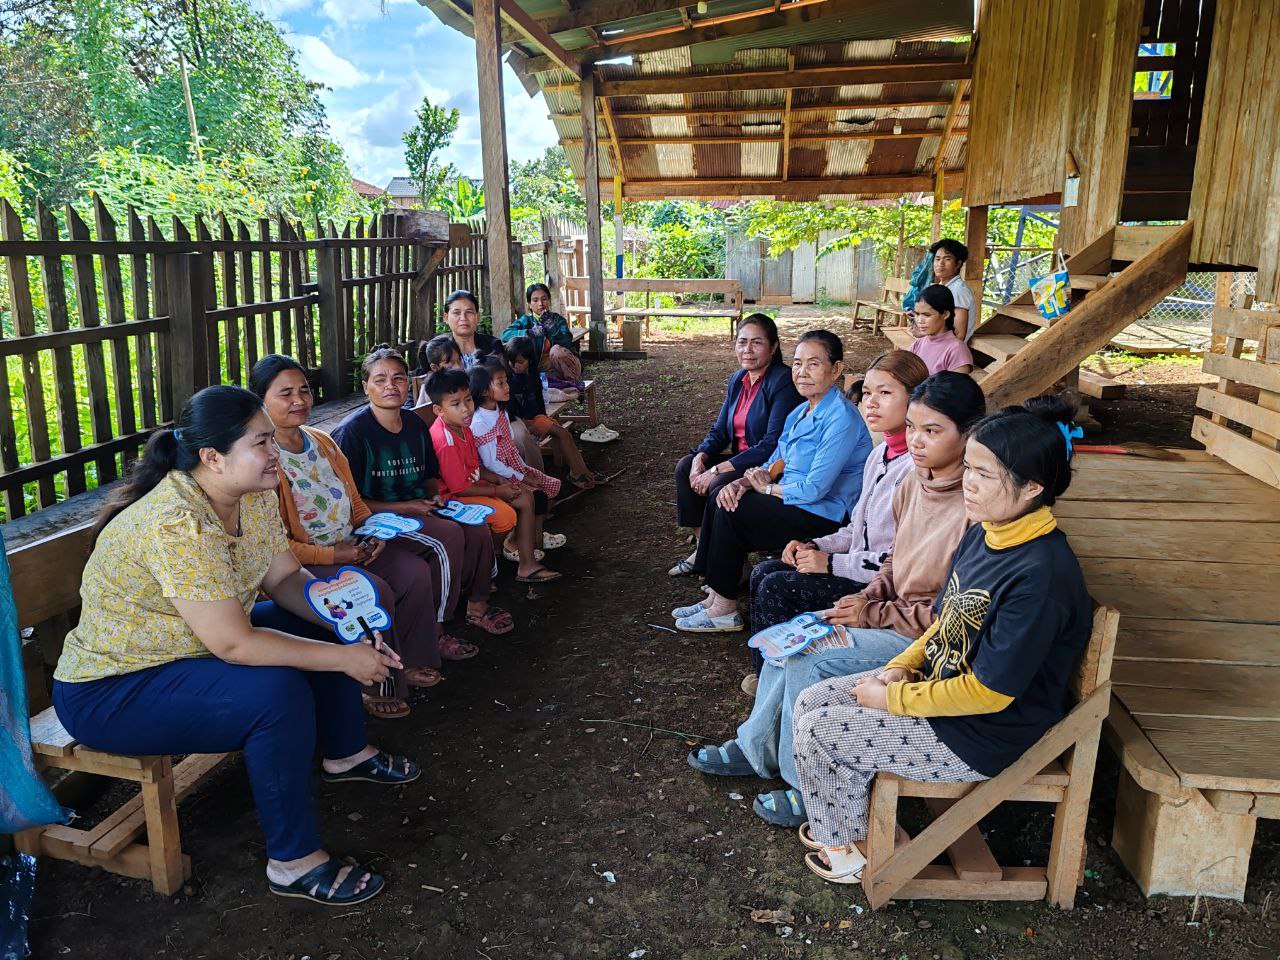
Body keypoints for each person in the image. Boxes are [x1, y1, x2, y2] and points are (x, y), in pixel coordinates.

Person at [51, 385, 416, 906]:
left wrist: (348, 621)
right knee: (275, 693)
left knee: (322, 628)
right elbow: (236, 645)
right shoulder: (177, 521)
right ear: (211, 458)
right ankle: (293, 862)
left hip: (190, 650)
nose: (275, 452)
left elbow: (287, 582)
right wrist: (345, 659)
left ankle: (346, 752)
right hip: (112, 689)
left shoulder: (254, 495)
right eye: (262, 442)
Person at [792, 394, 1093, 884]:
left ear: (1033, 487)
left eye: (983, 474)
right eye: (969, 467)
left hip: (981, 734)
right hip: (942, 691)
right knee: (812, 700)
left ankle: (844, 851)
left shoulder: (1041, 576)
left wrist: (894, 699)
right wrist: (904, 665)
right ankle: (851, 827)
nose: (967, 484)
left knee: (822, 732)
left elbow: (990, 692)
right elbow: (943, 622)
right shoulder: (988, 530)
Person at [687, 373, 985, 827]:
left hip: (923, 641)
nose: (918, 442)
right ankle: (756, 748)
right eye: (915, 428)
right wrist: (864, 598)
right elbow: (893, 565)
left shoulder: (974, 506)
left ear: (968, 435)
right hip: (888, 616)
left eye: (933, 431)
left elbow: (950, 617)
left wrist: (870, 610)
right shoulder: (916, 485)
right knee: (789, 638)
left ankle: (805, 783)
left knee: (812, 658)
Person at [252, 354, 464, 719]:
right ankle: (376, 684)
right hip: (306, 561)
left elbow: (353, 499)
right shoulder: (264, 460)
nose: (299, 401)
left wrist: (371, 531)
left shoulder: (321, 441)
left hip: (353, 542)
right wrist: (333, 556)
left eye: (303, 390)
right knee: (374, 590)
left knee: (413, 571)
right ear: (261, 401)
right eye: (285, 394)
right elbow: (275, 546)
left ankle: (411, 660)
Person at [672, 330, 873, 633]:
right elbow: (773, 461)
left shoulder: (841, 418)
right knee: (723, 497)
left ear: (837, 369)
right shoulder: (800, 412)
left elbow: (815, 489)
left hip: (824, 514)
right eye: (797, 364)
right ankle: (716, 597)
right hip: (792, 500)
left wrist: (764, 488)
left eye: (814, 364)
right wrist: (740, 483)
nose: (802, 372)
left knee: (734, 510)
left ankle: (725, 609)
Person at [331, 348, 512, 654]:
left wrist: (434, 495)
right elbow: (353, 504)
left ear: (408, 383)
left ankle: (477, 607)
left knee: (477, 527)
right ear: (365, 387)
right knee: (448, 536)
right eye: (380, 379)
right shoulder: (353, 433)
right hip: (377, 520)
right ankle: (436, 629)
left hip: (419, 509)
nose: (391, 385)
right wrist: (406, 507)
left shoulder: (414, 424)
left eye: (398, 378)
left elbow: (429, 475)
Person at [747, 350, 929, 649]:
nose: (870, 402)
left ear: (915, 399)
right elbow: (855, 527)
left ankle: (784, 670)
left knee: (777, 585)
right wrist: (815, 546)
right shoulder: (879, 455)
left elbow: (896, 563)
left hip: (877, 585)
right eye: (867, 392)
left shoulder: (915, 468)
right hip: (852, 566)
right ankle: (771, 670)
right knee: (764, 570)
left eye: (885, 393)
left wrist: (830, 563)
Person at [669, 313, 803, 577]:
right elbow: (720, 430)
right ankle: (704, 547)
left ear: (773, 347)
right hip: (742, 458)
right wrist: (702, 456)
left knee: (719, 484)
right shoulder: (738, 380)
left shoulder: (782, 381)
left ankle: (727, 560)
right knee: (686, 467)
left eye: (757, 343)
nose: (748, 350)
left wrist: (716, 471)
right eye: (742, 342)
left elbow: (770, 444)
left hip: (767, 465)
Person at [426, 368, 561, 584]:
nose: (466, 409)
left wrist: (498, 479)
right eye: (455, 404)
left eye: (468, 400)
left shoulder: (463, 427)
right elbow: (460, 488)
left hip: (471, 484)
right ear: (438, 410)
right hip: (453, 498)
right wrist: (498, 490)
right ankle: (490, 561)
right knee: (506, 515)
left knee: (525, 496)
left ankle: (526, 565)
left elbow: (475, 466)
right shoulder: (446, 441)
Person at [470, 360, 565, 557]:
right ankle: (515, 542)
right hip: (497, 476)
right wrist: (523, 477)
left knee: (547, 488)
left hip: (514, 468)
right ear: (484, 391)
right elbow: (491, 464)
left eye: (506, 381)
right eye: (501, 383)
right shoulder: (479, 423)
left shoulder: (501, 412)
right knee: (535, 495)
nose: (507, 387)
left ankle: (533, 538)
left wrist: (525, 470)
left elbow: (511, 448)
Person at [505, 335, 603, 489]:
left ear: (530, 361)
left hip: (537, 418)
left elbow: (538, 398)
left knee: (565, 435)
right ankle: (577, 474)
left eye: (520, 362)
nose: (515, 366)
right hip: (525, 421)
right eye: (512, 362)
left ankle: (583, 471)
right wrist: (529, 426)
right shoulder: (509, 381)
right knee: (563, 434)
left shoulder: (532, 376)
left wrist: (543, 416)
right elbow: (511, 410)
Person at [503, 282, 583, 383]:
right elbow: (505, 334)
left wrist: (552, 328)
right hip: (540, 370)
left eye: (544, 299)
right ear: (529, 305)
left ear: (549, 301)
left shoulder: (558, 320)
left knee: (556, 350)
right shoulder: (526, 320)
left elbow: (567, 342)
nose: (540, 304)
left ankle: (573, 384)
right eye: (535, 300)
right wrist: (529, 332)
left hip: (567, 368)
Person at [909, 285, 973, 375]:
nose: (919, 321)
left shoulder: (957, 351)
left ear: (945, 314)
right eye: (917, 314)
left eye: (927, 315)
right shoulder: (917, 345)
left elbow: (956, 388)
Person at [929, 238, 977, 342]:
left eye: (947, 259)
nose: (940, 263)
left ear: (958, 264)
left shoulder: (959, 290)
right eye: (937, 259)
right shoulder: (944, 286)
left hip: (948, 350)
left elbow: (958, 335)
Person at [442, 289, 501, 370]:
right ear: (446, 317)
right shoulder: (437, 349)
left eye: (469, 312)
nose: (463, 318)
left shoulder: (493, 345)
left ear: (478, 317)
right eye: (456, 313)